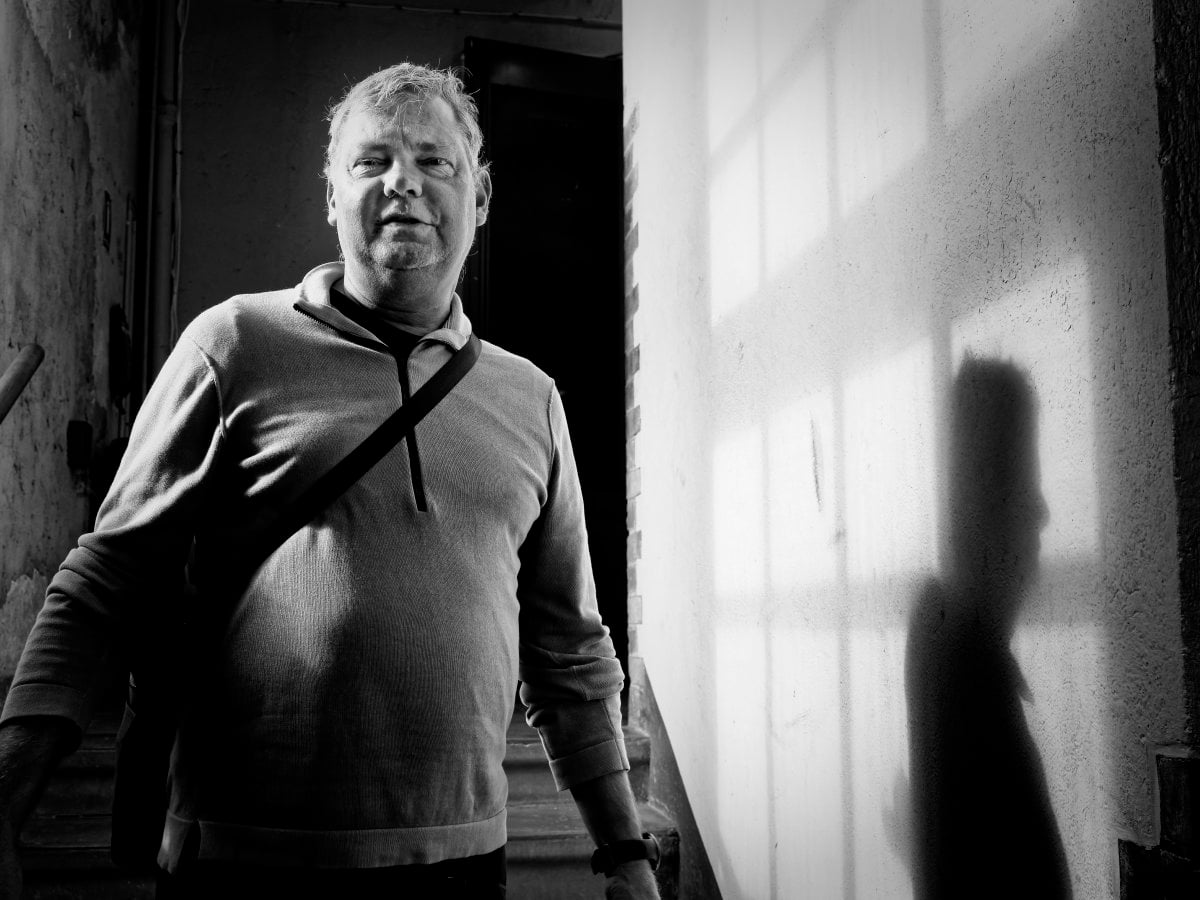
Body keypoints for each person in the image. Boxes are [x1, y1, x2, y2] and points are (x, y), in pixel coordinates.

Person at [0, 62, 660, 899]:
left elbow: (568, 650)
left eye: (435, 162)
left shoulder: (529, 399)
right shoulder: (233, 345)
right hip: (246, 859)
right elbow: (105, 584)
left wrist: (625, 852)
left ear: (481, 199)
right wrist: (7, 806)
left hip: (461, 866)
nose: (403, 186)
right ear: (330, 196)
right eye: (372, 160)